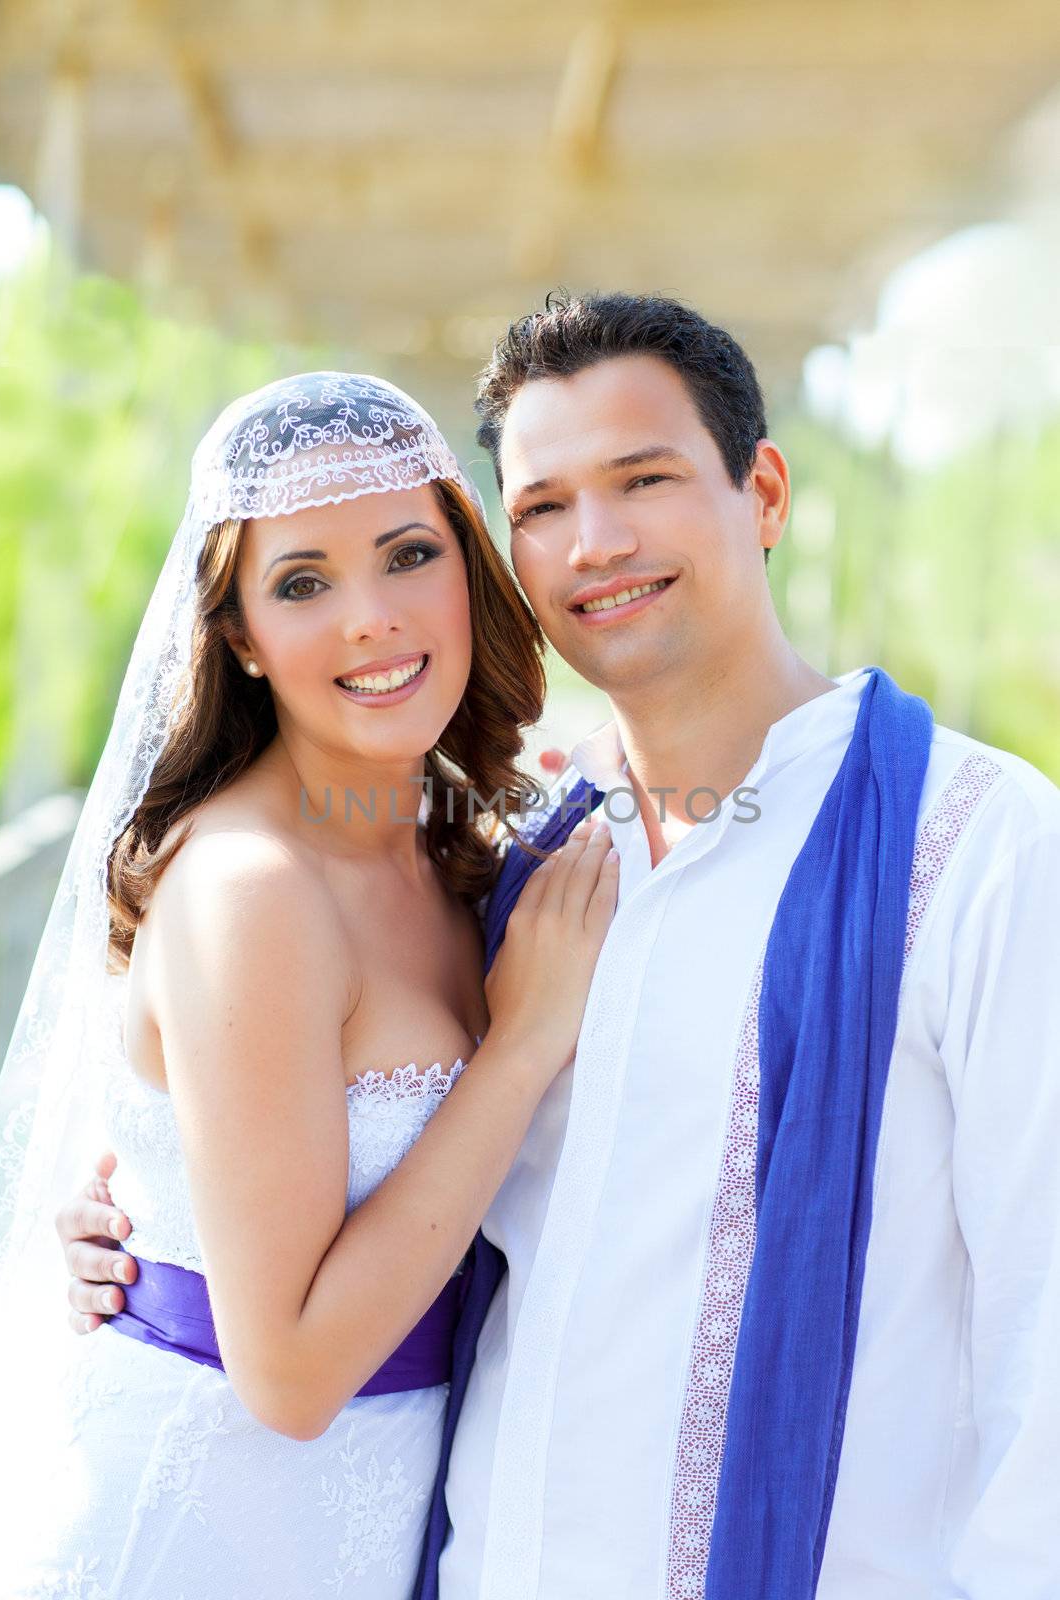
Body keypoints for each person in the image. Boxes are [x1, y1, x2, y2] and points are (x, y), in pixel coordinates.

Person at [59, 297, 1060, 1600]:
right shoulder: (509, 853)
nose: (595, 543)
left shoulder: (977, 847)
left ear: (761, 490)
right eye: (540, 507)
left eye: (642, 479)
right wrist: (143, 1236)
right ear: (509, 556)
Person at [0, 371, 618, 1600]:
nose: (370, 619)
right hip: (197, 1535)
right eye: (301, 583)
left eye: (405, 554)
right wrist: (523, 1042)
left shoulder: (456, 847)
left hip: (378, 1522)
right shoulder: (250, 890)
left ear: (467, 565)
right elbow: (283, 1371)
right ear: (239, 636)